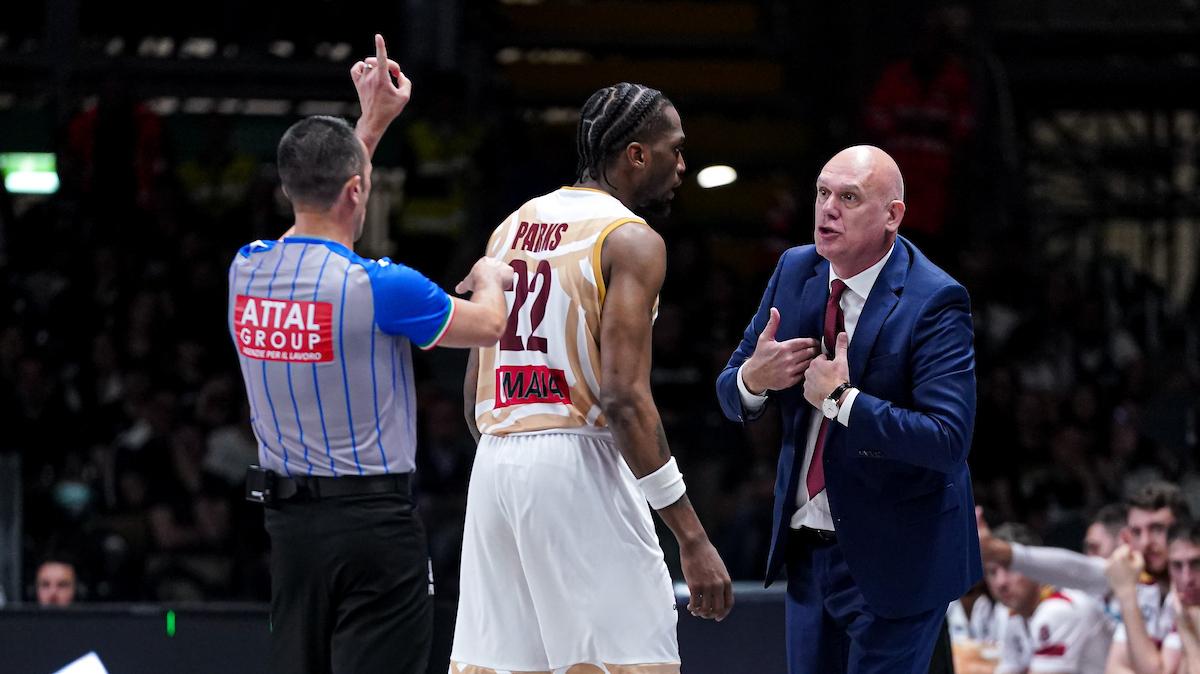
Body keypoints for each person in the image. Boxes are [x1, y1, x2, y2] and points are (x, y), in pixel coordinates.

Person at [227, 35, 514, 674]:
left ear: (285, 188)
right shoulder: (385, 287)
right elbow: (491, 325)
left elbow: (330, 196)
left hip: (289, 533)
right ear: (358, 192)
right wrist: (491, 272)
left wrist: (370, 125)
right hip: (374, 528)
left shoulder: (245, 271)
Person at [451, 82, 733, 674]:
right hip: (576, 462)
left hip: (497, 458)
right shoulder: (630, 239)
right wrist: (692, 536)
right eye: (674, 149)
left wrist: (518, 464)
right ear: (636, 154)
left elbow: (476, 372)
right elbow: (624, 398)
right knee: (631, 662)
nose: (683, 164)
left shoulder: (509, 227)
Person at [715, 145, 981, 672]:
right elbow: (729, 390)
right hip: (810, 554)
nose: (827, 208)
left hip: (900, 556)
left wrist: (842, 401)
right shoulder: (796, 269)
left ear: (893, 215)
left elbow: (948, 440)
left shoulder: (935, 300)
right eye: (822, 192)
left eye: (849, 197)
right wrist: (754, 379)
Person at [978, 482, 1191, 674]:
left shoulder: (1191, 589)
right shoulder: (1140, 585)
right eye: (1137, 532)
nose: (1145, 543)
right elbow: (1076, 569)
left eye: (1157, 529)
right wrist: (1001, 553)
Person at [984, 524, 1110, 674]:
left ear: (1034, 567)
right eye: (992, 572)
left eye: (1010, 569)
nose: (1001, 582)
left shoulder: (1058, 609)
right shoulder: (1013, 615)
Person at [1165, 521, 1200, 673]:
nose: (1187, 579)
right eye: (1177, 566)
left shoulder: (1181, 614)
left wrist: (1186, 632)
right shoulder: (1173, 605)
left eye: (1197, 564)